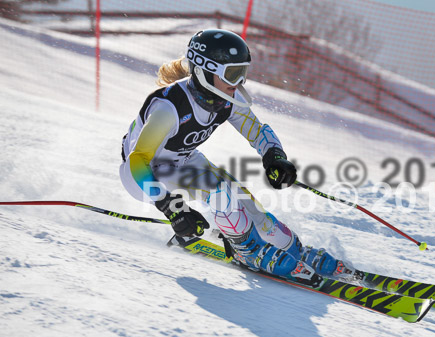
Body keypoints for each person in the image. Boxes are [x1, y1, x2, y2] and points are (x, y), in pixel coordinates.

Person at [119, 29, 355, 284]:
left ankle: (293, 249)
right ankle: (248, 250)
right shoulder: (169, 108)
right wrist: (172, 208)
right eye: (232, 73)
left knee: (244, 200)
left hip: (183, 160)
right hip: (143, 172)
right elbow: (137, 159)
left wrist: (274, 157)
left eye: (243, 72)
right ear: (204, 71)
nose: (239, 81)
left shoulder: (226, 98)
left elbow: (257, 131)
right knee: (220, 191)